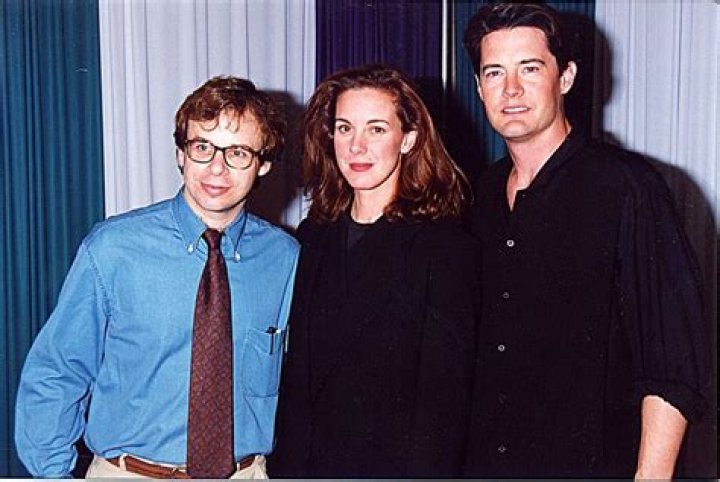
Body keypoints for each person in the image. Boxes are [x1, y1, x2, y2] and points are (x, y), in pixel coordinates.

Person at [461, 3, 711, 478]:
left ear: (567, 77)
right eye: (494, 72)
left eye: (529, 68)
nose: (511, 89)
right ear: (478, 87)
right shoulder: (479, 196)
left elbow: (673, 362)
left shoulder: (628, 187)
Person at [15, 76, 299, 479]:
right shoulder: (113, 249)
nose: (216, 167)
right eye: (202, 147)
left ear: (263, 164)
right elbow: (57, 373)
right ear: (181, 154)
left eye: (238, 152)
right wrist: (53, 474)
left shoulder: (285, 259)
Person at [267, 65, 478, 478]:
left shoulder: (445, 248)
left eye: (376, 129)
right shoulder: (313, 235)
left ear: (409, 139)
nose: (356, 146)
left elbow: (444, 409)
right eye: (344, 128)